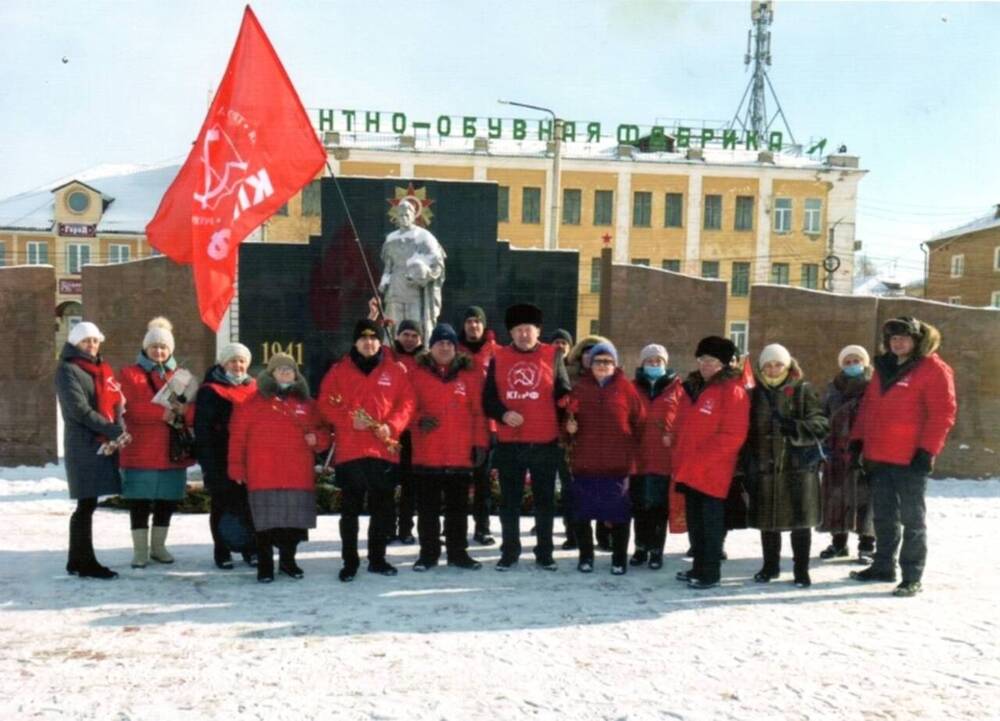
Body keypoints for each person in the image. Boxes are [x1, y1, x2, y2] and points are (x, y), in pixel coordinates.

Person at [849, 317, 956, 597]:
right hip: (879, 455)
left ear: (916, 340)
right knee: (883, 516)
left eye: (904, 338)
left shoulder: (934, 369)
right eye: (893, 338)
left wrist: (928, 450)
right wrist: (858, 441)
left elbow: (943, 414)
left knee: (912, 519)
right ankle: (883, 566)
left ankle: (912, 575)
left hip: (911, 459)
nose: (898, 343)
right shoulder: (883, 367)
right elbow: (869, 408)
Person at [319, 319, 416, 582]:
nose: (369, 343)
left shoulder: (395, 370)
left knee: (382, 510)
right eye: (363, 339)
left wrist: (392, 426)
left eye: (373, 338)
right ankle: (349, 562)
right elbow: (325, 404)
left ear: (379, 341)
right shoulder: (339, 371)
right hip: (351, 452)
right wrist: (348, 420)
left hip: (383, 451)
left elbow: (407, 403)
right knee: (350, 511)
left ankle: (377, 559)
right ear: (355, 342)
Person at [482, 303, 571, 571]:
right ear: (511, 332)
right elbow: (488, 399)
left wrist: (570, 409)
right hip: (511, 444)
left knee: (544, 501)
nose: (523, 334)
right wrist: (503, 413)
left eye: (528, 329)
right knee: (509, 502)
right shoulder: (499, 357)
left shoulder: (552, 355)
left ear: (538, 330)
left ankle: (544, 552)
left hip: (545, 442)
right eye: (518, 330)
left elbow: (563, 390)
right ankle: (510, 551)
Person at [228, 353, 329, 583]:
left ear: (296, 374)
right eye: (280, 369)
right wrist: (236, 467)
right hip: (263, 474)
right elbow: (237, 438)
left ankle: (288, 561)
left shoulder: (308, 404)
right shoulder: (250, 403)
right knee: (264, 524)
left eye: (290, 370)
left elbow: (325, 432)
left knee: (293, 523)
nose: (285, 373)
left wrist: (319, 439)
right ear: (270, 374)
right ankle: (265, 565)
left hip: (297, 475)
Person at [745, 344, 830, 588]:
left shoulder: (803, 390)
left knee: (800, 523)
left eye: (778, 364)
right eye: (768, 366)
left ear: (788, 365)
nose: (773, 370)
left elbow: (822, 424)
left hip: (799, 468)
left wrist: (796, 428)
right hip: (764, 467)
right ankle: (770, 566)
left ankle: (801, 570)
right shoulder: (754, 394)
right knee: (768, 521)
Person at [671, 336, 750, 590]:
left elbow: (732, 436)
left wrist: (700, 460)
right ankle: (698, 566)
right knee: (696, 522)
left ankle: (710, 572)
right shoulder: (697, 388)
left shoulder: (732, 391)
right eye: (702, 359)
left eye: (712, 361)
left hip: (713, 472)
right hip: (691, 469)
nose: (705, 365)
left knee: (710, 524)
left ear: (725, 364)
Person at [118, 318, 195, 568]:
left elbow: (192, 411)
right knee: (140, 501)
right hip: (141, 449)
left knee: (167, 500)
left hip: (172, 450)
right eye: (154, 346)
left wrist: (185, 411)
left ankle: (159, 547)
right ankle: (140, 551)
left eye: (163, 347)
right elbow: (129, 409)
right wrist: (161, 414)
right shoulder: (130, 374)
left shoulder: (181, 376)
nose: (159, 351)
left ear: (171, 349)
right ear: (145, 348)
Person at [408, 323, 485, 571]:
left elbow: (479, 414)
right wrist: (418, 419)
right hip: (427, 453)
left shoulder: (470, 375)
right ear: (431, 347)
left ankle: (458, 553)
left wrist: (480, 444)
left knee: (458, 510)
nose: (444, 347)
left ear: (456, 347)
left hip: (459, 455)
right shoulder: (416, 373)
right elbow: (405, 406)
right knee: (428, 510)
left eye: (449, 343)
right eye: (440, 343)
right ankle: (428, 554)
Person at [56, 321, 129, 579]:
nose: (91, 345)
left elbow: (114, 402)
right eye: (86, 341)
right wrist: (112, 430)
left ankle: (77, 560)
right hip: (83, 445)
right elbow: (78, 410)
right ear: (75, 343)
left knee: (88, 504)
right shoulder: (68, 370)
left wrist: (118, 423)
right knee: (85, 504)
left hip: (101, 444)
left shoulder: (102, 370)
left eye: (95, 341)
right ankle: (85, 562)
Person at [564, 341, 645, 574]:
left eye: (607, 361)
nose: (602, 365)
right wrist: (569, 429)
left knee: (619, 515)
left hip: (616, 465)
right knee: (582, 514)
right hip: (585, 463)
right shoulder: (580, 388)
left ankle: (619, 559)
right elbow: (568, 421)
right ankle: (586, 557)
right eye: (598, 361)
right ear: (590, 364)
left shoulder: (627, 389)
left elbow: (640, 422)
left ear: (615, 364)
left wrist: (630, 451)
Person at [194, 342, 258, 570]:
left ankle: (250, 548)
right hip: (219, 458)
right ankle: (222, 550)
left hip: (249, 459)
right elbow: (202, 430)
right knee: (221, 505)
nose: (238, 365)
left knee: (249, 505)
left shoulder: (255, 389)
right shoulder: (210, 391)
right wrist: (208, 464)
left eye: (241, 361)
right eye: (233, 361)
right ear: (224, 363)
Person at [818, 344, 875, 563]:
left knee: (865, 500)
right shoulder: (834, 387)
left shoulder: (874, 387)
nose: (852, 365)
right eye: (848, 362)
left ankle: (867, 545)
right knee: (836, 498)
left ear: (865, 362)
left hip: (863, 452)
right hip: (837, 453)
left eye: (856, 360)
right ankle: (839, 543)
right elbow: (823, 415)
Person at [630, 343, 683, 570]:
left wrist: (674, 434)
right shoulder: (631, 387)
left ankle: (656, 551)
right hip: (638, 457)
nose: (654, 364)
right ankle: (640, 547)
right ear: (642, 363)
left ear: (665, 363)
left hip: (664, 458)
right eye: (650, 361)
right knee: (640, 505)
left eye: (658, 361)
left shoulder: (677, 388)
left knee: (659, 507)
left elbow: (685, 420)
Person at [457, 305, 498, 546]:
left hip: (486, 427)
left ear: (484, 325)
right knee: (457, 482)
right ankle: (454, 527)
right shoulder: (453, 351)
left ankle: (482, 528)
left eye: (477, 321)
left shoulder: (496, 353)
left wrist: (494, 429)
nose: (473, 325)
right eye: (469, 321)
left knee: (483, 482)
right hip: (459, 428)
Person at [379, 199, 446, 337]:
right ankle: (393, 356)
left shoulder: (424, 237)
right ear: (396, 216)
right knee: (394, 327)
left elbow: (437, 263)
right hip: (395, 290)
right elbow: (388, 266)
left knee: (415, 328)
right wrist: (384, 282)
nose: (403, 217)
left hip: (414, 291)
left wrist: (424, 275)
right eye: (401, 214)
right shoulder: (391, 239)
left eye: (407, 214)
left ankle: (419, 356)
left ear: (414, 215)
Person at [386, 318, 423, 545]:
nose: (409, 339)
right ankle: (388, 527)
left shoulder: (425, 361)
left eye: (414, 336)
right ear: (398, 336)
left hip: (414, 432)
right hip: (391, 431)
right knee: (388, 483)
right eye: (405, 334)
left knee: (411, 484)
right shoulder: (387, 356)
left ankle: (406, 528)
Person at [549, 329, 576, 549]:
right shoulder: (546, 367)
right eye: (556, 341)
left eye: (564, 342)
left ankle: (572, 529)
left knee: (569, 486)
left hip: (570, 438)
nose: (560, 346)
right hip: (549, 434)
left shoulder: (578, 372)